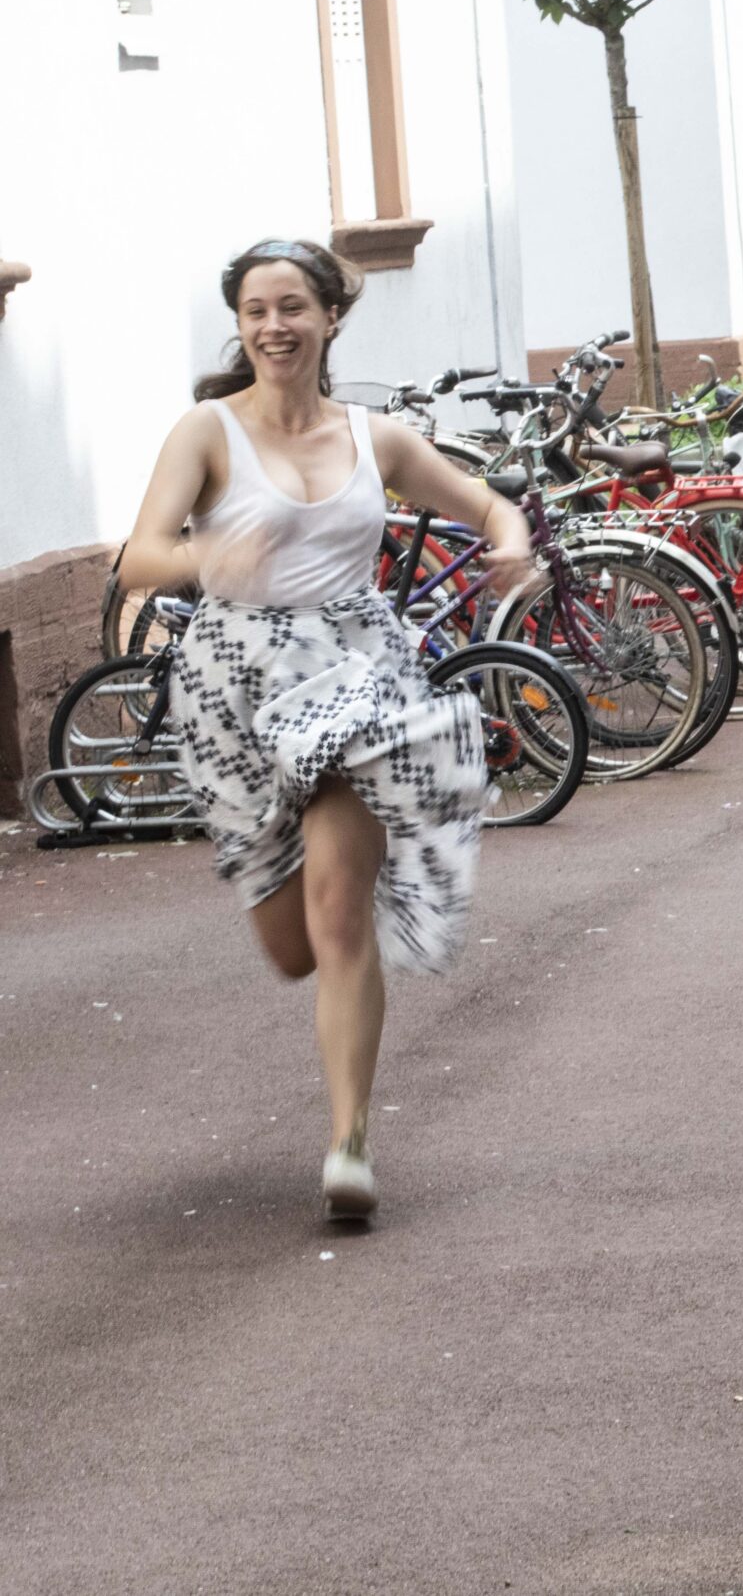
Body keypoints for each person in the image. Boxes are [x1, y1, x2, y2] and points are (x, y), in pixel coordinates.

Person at [116, 239, 533, 1220]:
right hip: (235, 694)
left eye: (293, 307)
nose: (274, 327)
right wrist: (209, 550)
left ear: (331, 317)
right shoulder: (206, 433)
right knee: (293, 946)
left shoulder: (374, 438)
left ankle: (349, 1142)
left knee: (341, 914)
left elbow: (483, 504)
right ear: (241, 324)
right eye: (256, 310)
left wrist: (510, 544)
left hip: (355, 679)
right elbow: (139, 558)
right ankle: (303, 917)